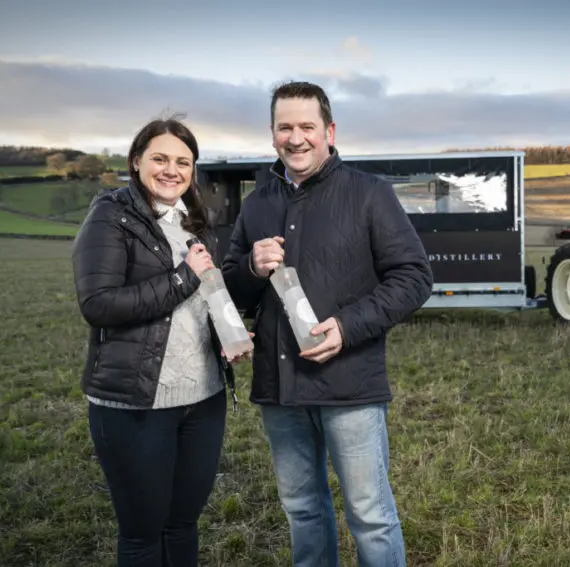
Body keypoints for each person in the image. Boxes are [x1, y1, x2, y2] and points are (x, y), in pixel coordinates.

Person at [222, 81, 433, 566]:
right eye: (284, 127)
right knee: (302, 510)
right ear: (272, 134)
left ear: (329, 131)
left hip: (350, 386)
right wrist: (251, 267)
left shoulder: (369, 194)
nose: (296, 138)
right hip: (280, 390)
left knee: (370, 514)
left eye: (307, 127)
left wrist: (347, 326)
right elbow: (232, 290)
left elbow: (415, 276)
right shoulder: (256, 204)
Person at [71, 116, 248, 566]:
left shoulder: (195, 224)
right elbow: (99, 304)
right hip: (137, 405)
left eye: (183, 162)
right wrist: (182, 276)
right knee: (143, 534)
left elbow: (205, 300)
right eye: (161, 158)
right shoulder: (111, 216)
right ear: (136, 161)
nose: (172, 170)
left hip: (204, 400)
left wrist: (228, 331)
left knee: (183, 524)